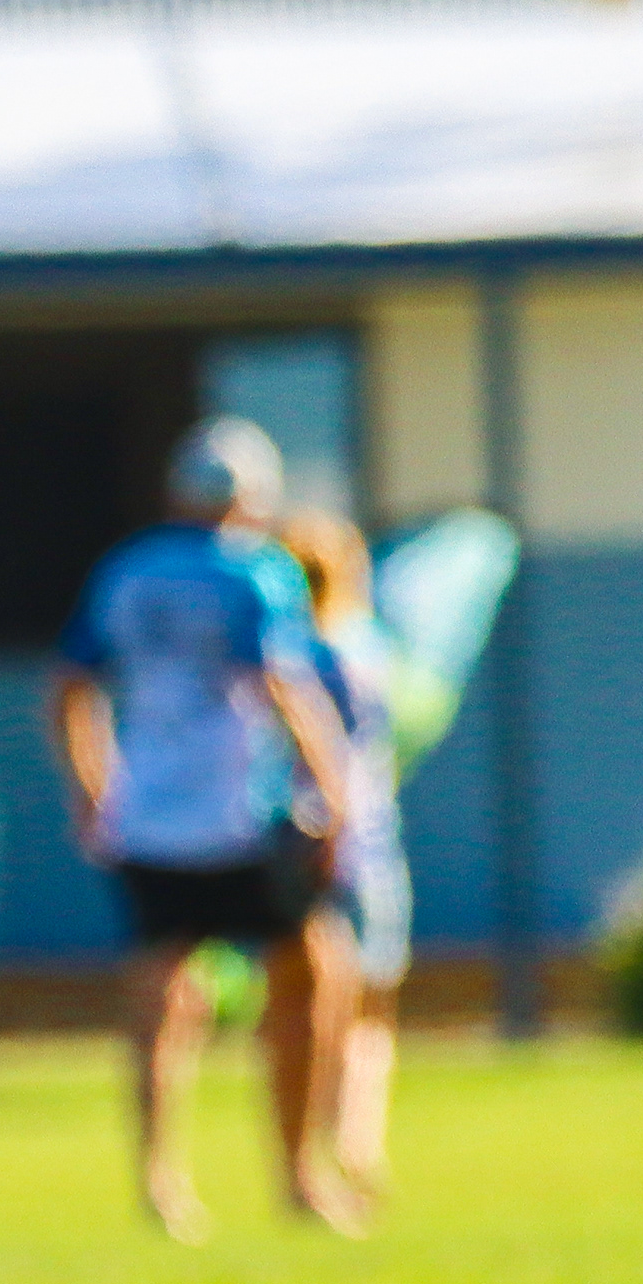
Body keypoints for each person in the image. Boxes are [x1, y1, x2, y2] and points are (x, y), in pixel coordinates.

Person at [47, 417, 361, 1242]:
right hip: (240, 815)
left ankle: (160, 1180)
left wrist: (92, 789)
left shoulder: (126, 571)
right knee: (311, 973)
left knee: (160, 996)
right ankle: (299, 1174)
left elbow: (70, 686)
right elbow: (285, 685)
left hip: (149, 816)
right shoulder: (256, 570)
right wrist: (333, 793)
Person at [276, 511, 409, 1202]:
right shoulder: (363, 650)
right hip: (363, 840)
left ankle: (322, 1139)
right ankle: (356, 1135)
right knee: (368, 1003)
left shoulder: (287, 653)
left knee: (309, 1001)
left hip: (296, 837)